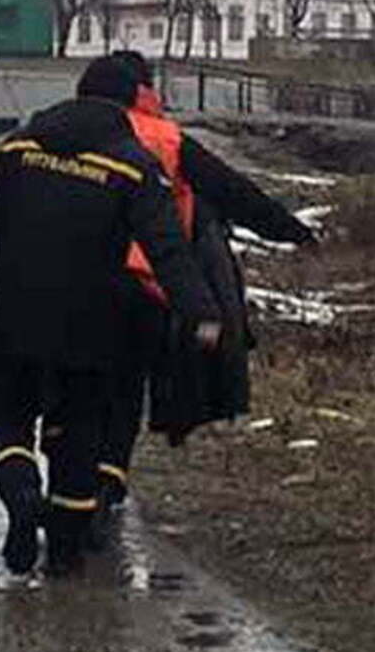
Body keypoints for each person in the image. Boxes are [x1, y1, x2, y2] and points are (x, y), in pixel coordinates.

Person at [0, 55, 220, 576]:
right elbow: (166, 245)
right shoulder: (130, 163)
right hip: (91, 319)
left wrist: (10, 274)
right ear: (128, 103)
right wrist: (199, 310)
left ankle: (20, 499)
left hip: (16, 311)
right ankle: (64, 548)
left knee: (14, 418)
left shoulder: (19, 146)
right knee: (77, 425)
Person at [99, 50, 317, 514]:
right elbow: (234, 193)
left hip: (82, 276)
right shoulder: (167, 140)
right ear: (144, 90)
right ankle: (108, 476)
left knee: (86, 384)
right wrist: (292, 231)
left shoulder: (71, 133)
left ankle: (73, 480)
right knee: (127, 383)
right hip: (150, 279)